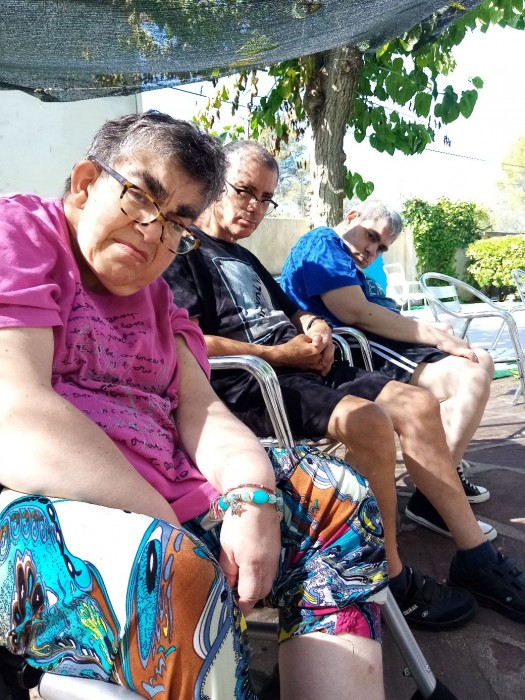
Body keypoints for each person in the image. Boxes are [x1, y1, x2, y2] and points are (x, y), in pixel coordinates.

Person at [0, 112, 389, 700]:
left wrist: (252, 496)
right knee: (173, 570)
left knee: (336, 497)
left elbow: (202, 411)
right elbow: (17, 414)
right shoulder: (24, 234)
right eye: (140, 197)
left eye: (177, 222)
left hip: (177, 501)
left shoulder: (159, 300)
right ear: (84, 183)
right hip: (46, 506)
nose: (152, 232)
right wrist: (168, 521)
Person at [163, 139, 525, 629]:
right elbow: (189, 342)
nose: (255, 207)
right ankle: (388, 576)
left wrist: (315, 326)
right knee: (370, 422)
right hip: (253, 383)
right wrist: (280, 354)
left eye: (266, 198)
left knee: (419, 405)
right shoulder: (182, 251)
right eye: (244, 190)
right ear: (214, 184)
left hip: (303, 366)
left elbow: (294, 309)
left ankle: (475, 558)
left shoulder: (242, 257)